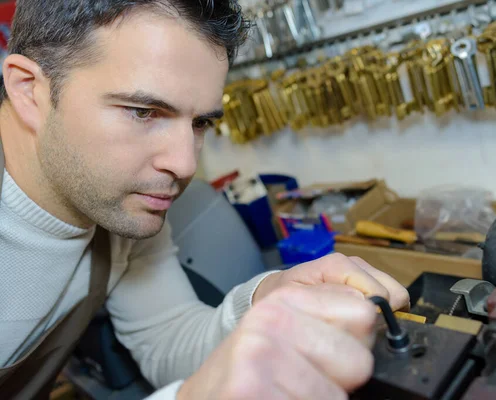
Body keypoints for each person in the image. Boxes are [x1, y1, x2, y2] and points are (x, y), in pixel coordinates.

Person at [0, 0, 410, 399]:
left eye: (200, 123)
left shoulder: (121, 205)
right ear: (28, 90)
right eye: (144, 112)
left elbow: (167, 336)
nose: (184, 164)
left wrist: (268, 301)